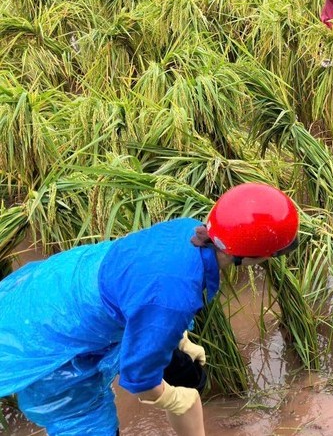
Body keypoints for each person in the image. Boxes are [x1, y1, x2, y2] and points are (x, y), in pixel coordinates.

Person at [0, 183, 300, 436]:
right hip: (43, 335)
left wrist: (180, 340)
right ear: (252, 257)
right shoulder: (170, 296)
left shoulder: (188, 229)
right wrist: (173, 400)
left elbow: (146, 286)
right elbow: (140, 379)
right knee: (85, 422)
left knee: (188, 373)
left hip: (61, 285)